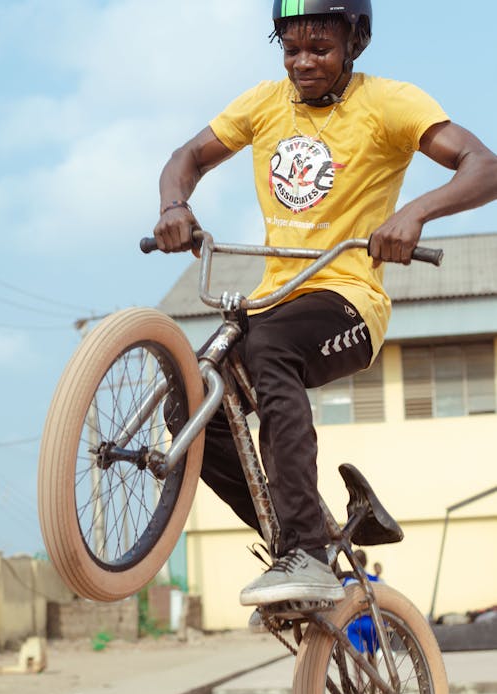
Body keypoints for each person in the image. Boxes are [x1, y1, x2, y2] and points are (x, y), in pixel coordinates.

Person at [153, 1, 497, 609]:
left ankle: (306, 552)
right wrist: (174, 206)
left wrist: (413, 213)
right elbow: (186, 158)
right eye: (292, 49)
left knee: (267, 349)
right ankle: (303, 543)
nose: (304, 62)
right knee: (187, 403)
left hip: (347, 301)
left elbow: (483, 166)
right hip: (273, 300)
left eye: (321, 49)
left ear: (355, 45)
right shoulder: (263, 103)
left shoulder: (390, 103)